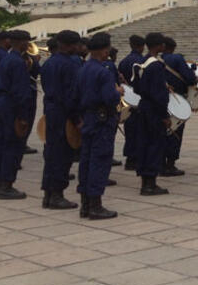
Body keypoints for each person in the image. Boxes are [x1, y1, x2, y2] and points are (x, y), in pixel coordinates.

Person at [75, 33, 123, 220]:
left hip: (88, 118)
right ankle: (95, 205)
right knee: (100, 160)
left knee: (86, 161)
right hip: (102, 120)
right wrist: (117, 91)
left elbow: (76, 97)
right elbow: (110, 98)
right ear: (104, 50)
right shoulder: (103, 72)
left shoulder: (83, 69)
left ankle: (85, 204)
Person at [39, 30, 81, 210]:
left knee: (51, 152)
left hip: (51, 111)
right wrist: (76, 119)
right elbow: (71, 96)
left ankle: (48, 194)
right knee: (63, 155)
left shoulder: (48, 63)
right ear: (70, 45)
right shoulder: (70, 65)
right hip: (64, 113)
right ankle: (57, 194)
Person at [0, 30, 33, 199]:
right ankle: (6, 184)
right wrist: (23, 116)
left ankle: (1, 181)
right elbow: (20, 91)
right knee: (13, 145)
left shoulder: (5, 58)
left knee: (3, 143)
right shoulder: (17, 62)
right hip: (12, 106)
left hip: (2, 103)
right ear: (22, 43)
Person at [133, 32, 170, 195]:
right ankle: (150, 183)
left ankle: (145, 181)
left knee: (144, 143)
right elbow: (159, 95)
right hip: (154, 110)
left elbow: (136, 87)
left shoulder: (141, 62)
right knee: (154, 144)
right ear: (159, 46)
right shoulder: (156, 65)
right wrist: (164, 115)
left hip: (144, 106)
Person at [161, 36, 197, 176]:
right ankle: (170, 165)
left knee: (162, 131)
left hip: (161, 99)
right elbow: (189, 77)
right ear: (173, 48)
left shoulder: (156, 60)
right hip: (176, 99)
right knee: (175, 132)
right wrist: (194, 77)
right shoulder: (177, 59)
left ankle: (160, 162)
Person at [118, 35, 146, 171]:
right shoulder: (142, 61)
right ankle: (137, 157)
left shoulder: (124, 61)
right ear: (142, 47)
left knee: (130, 130)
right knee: (140, 131)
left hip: (128, 99)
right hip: (141, 99)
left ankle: (130, 158)